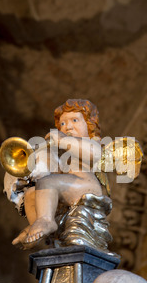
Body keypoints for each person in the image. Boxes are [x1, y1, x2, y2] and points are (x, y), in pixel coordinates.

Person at [12, 99, 103, 247]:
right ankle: (36, 223)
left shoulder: (93, 142)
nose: (68, 127)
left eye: (74, 120)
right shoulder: (65, 151)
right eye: (63, 124)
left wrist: (63, 141)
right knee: (31, 194)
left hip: (86, 185)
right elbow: (55, 171)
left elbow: (94, 154)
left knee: (47, 182)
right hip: (70, 186)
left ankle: (46, 220)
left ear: (90, 124)